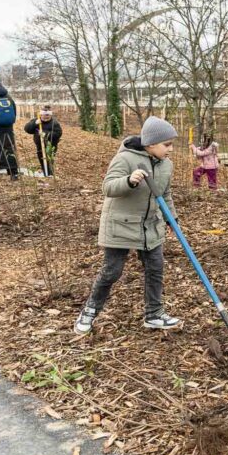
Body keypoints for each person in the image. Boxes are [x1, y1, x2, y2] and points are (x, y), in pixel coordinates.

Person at [74, 117, 181, 334]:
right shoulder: (125, 159)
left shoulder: (166, 165)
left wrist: (172, 218)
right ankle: (90, 311)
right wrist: (129, 181)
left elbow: (165, 194)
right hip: (120, 225)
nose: (171, 149)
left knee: (155, 268)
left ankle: (154, 314)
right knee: (112, 271)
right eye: (167, 144)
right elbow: (108, 187)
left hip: (150, 225)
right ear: (151, 144)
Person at [23, 106, 62, 177]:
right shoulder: (36, 120)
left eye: (48, 116)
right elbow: (27, 129)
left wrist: (45, 134)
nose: (45, 118)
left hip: (51, 146)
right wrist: (35, 124)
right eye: (44, 116)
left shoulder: (54, 123)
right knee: (42, 159)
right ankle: (45, 173)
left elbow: (58, 134)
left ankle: (49, 174)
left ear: (50, 115)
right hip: (39, 145)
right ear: (41, 115)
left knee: (49, 160)